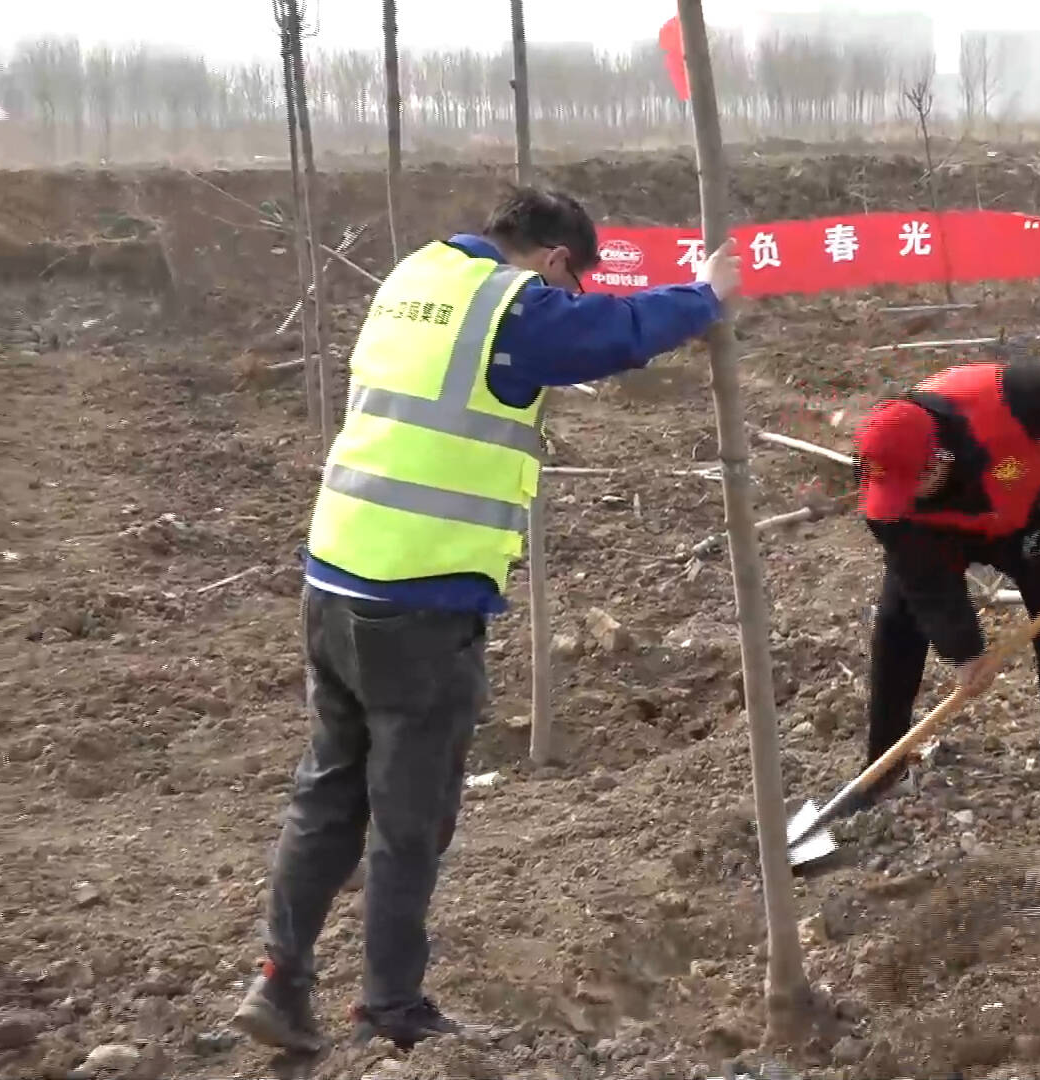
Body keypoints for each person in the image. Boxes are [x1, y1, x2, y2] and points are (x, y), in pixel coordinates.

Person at [231, 187, 742, 1053]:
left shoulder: (416, 275)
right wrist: (706, 294)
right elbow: (612, 335)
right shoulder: (510, 305)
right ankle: (391, 1009)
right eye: (570, 283)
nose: (567, 298)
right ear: (553, 262)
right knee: (410, 814)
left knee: (328, 790)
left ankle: (280, 980)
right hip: (421, 600)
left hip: (336, 576)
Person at [850, 358, 1040, 828]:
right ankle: (880, 769)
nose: (902, 498)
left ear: (940, 458)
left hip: (1025, 512)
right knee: (897, 625)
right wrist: (964, 651)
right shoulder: (885, 491)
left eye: (912, 485)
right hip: (934, 536)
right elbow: (922, 577)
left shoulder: (1009, 396)